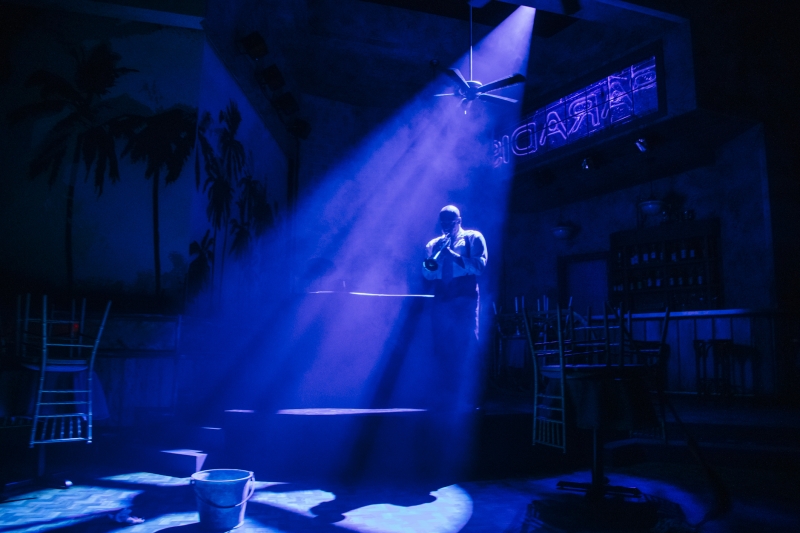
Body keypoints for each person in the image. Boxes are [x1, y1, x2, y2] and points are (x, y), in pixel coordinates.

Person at [422, 205, 487, 410]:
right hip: (442, 297)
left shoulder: (473, 237)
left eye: (450, 222)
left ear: (459, 220)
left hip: (465, 297)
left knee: (468, 343)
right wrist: (438, 256)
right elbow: (428, 274)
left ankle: (474, 395)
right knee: (442, 344)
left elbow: (479, 267)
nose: (446, 226)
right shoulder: (433, 244)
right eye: (443, 222)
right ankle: (445, 394)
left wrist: (453, 256)